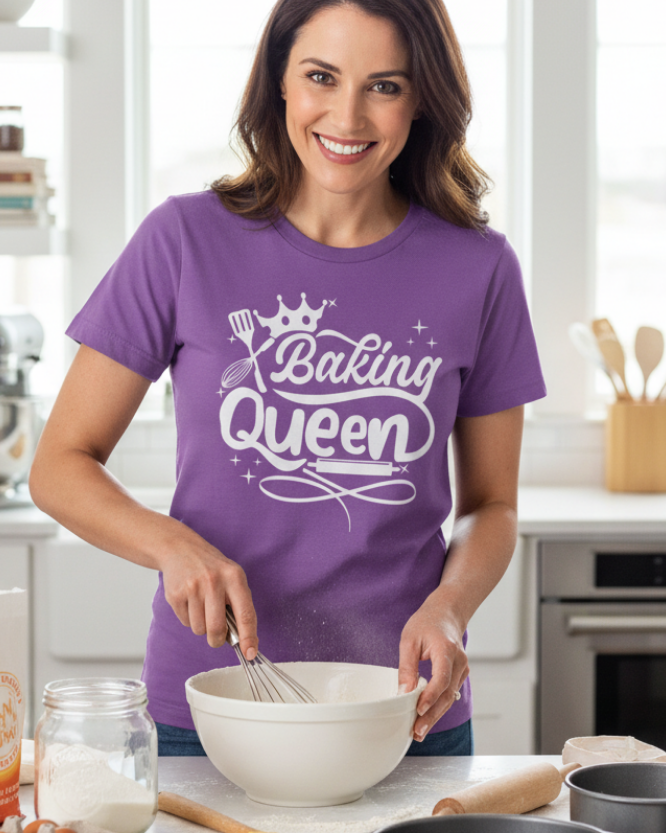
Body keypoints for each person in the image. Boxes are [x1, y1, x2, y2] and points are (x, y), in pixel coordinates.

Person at [30, 0, 546, 758]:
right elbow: (59, 466)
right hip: (212, 704)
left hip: (403, 707)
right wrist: (173, 546)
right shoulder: (183, 241)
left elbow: (493, 505)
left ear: (422, 98)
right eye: (320, 76)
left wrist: (448, 605)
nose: (347, 114)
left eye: (385, 85)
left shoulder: (480, 268)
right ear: (279, 83)